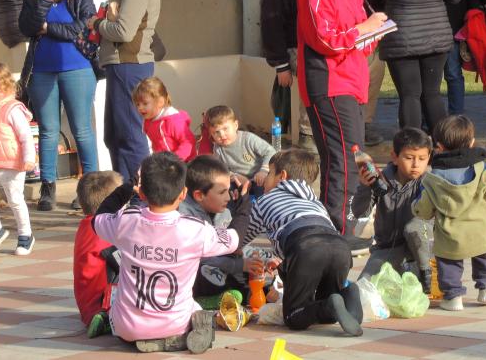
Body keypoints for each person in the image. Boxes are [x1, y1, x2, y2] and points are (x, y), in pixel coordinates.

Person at [296, 0, 388, 249]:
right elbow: (324, 39)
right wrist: (363, 29)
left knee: (354, 158)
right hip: (329, 83)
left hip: (353, 81)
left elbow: (358, 43)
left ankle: (341, 230)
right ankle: (336, 234)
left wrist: (373, 31)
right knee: (343, 160)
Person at [92, 152, 238, 353]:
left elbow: (98, 218)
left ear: (142, 194)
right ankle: (185, 334)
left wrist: (127, 188)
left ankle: (144, 338)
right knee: (195, 308)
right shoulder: (195, 229)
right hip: (175, 323)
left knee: (116, 305)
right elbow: (234, 239)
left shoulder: (126, 221)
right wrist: (244, 202)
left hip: (127, 327)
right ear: (183, 193)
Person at [241, 149, 364, 336]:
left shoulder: (265, 200)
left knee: (294, 317)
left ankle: (331, 304)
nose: (265, 180)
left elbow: (240, 238)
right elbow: (324, 232)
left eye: (268, 173)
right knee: (327, 305)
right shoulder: (315, 202)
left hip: (306, 246)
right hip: (339, 247)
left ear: (281, 176)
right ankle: (348, 295)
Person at [359, 0, 462, 131]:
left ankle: (411, 148)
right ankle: (443, 147)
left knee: (410, 96)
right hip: (437, 36)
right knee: (432, 95)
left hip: (402, 39)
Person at [18, 0, 99, 211]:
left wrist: (47, 27)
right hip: (42, 69)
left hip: (77, 68)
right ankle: (48, 188)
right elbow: (26, 27)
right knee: (48, 131)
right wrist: (44, 1)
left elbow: (83, 27)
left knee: (82, 131)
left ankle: (90, 188)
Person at [412, 115, 486, 311]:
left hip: (450, 235)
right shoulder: (482, 170)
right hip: (481, 230)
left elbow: (423, 208)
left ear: (440, 147)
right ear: (471, 143)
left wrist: (417, 210)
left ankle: (453, 297)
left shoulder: (432, 178)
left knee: (448, 263)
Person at [87, 0, 162, 200]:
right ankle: (125, 195)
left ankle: (141, 197)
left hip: (130, 65)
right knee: (115, 135)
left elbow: (124, 31)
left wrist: (96, 25)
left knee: (129, 135)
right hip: (123, 66)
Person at [261, 0, 322, 152]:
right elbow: (271, 25)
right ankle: (307, 134)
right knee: (313, 78)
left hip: (313, 46)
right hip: (294, 49)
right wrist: (281, 65)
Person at [354, 127, 433, 288]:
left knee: (414, 228)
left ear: (429, 158)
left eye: (422, 158)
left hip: (422, 252)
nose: (416, 164)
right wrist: (364, 186)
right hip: (387, 249)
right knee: (363, 288)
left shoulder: (430, 182)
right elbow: (360, 212)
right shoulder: (380, 180)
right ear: (395, 157)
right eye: (409, 158)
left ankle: (425, 273)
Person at [178, 155, 257, 307]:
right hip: (193, 272)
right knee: (207, 272)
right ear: (199, 195)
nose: (228, 197)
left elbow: (230, 242)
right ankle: (202, 300)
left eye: (229, 190)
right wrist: (240, 264)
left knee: (246, 270)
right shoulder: (185, 215)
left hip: (216, 265)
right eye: (222, 192)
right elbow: (202, 259)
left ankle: (249, 293)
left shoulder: (221, 209)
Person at [72, 170, 123, 338]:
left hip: (86, 303)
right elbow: (125, 264)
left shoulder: (86, 225)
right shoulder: (104, 231)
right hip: (101, 302)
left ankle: (104, 317)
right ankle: (107, 317)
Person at [0, 62, 36, 255]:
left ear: (2, 84)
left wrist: (29, 158)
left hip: (12, 163)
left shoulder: (12, 109)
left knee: (15, 200)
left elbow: (25, 136)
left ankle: (25, 235)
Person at [197, 105, 275, 195]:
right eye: (216, 132)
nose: (222, 135)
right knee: (226, 190)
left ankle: (261, 206)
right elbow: (221, 169)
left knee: (262, 189)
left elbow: (270, 152)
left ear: (235, 125)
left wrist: (263, 171)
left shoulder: (248, 139)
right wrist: (235, 176)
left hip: (259, 178)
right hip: (239, 180)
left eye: (225, 129)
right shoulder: (218, 149)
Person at [134, 77, 197, 162]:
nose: (140, 108)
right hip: (164, 164)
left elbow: (188, 141)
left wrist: (175, 161)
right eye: (138, 104)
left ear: (160, 102)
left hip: (185, 164)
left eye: (145, 103)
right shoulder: (148, 122)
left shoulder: (173, 121)